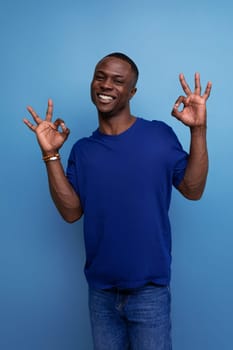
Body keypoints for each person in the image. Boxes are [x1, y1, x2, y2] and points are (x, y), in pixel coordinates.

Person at [23, 52, 212, 350]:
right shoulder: (83, 151)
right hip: (101, 293)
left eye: (117, 80)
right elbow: (72, 213)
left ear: (132, 92)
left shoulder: (159, 136)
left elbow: (193, 189)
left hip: (150, 292)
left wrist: (198, 130)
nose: (106, 85)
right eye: (100, 77)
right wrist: (50, 155)